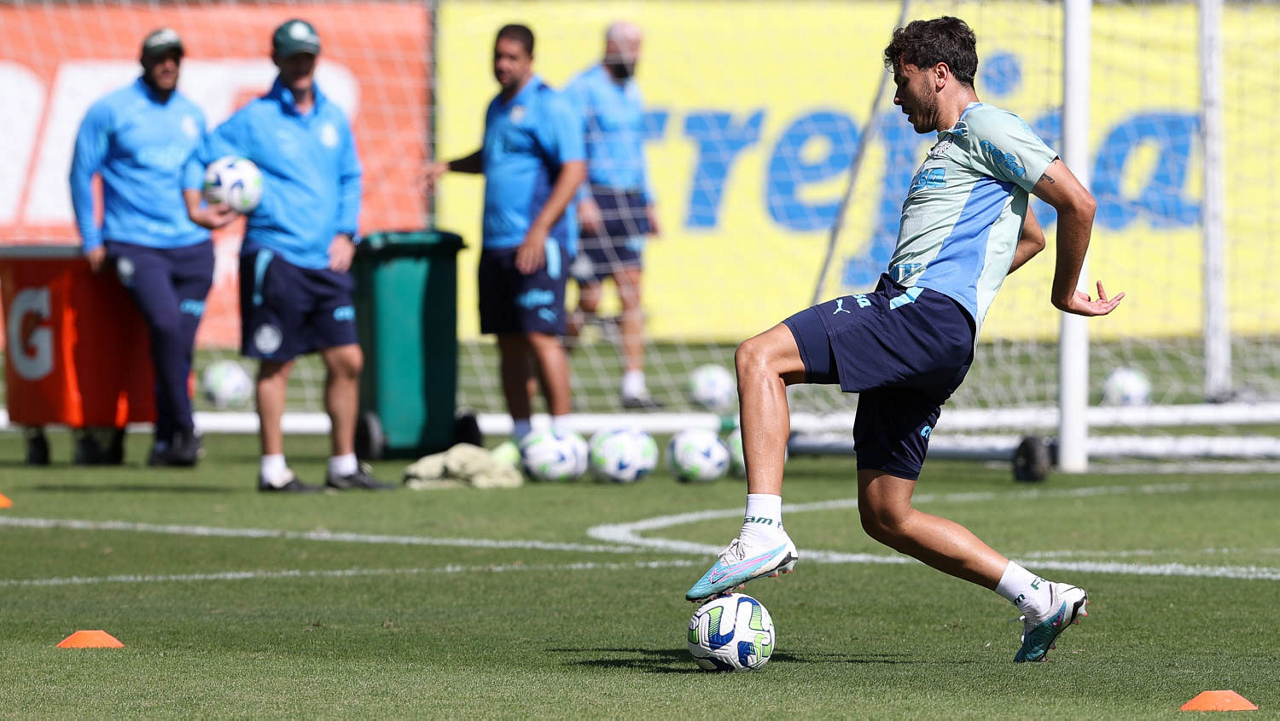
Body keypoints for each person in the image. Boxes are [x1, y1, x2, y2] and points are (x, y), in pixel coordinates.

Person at [684, 17, 1124, 663]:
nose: (897, 96)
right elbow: (1029, 236)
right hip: (938, 331)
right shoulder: (959, 150)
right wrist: (969, 290)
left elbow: (1078, 203)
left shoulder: (987, 126)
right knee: (886, 513)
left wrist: (1062, 293)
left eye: (904, 78)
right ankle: (1039, 597)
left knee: (759, 357)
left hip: (919, 313)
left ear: (939, 74)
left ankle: (761, 529)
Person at [184, 18, 392, 492]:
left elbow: (350, 177)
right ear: (276, 59)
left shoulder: (333, 117)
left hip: (326, 261)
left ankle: (343, 466)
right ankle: (273, 469)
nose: (302, 65)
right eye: (293, 57)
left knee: (348, 360)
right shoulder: (255, 118)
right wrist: (197, 209)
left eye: (308, 57)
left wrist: (347, 234)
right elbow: (198, 157)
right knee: (277, 362)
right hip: (275, 258)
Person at [70, 28, 233, 467]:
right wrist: (91, 236)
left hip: (194, 248)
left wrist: (218, 206)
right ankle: (186, 429)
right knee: (165, 326)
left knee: (178, 345)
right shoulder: (111, 110)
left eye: (175, 57)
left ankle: (166, 443)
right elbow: (81, 172)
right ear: (143, 61)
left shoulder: (192, 114)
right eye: (161, 58)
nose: (169, 65)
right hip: (136, 243)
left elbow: (201, 174)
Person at [422, 24, 586, 451]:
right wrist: (449, 166)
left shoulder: (550, 105)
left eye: (512, 57)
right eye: (498, 56)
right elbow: (494, 158)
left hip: (536, 244)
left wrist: (539, 231)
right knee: (508, 342)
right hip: (496, 245)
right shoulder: (496, 106)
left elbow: (573, 170)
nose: (503, 64)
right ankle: (522, 436)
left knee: (540, 337)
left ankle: (563, 437)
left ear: (530, 59)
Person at [563, 21, 661, 409]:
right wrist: (581, 198)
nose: (637, 55)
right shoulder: (581, 88)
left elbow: (637, 149)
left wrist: (649, 201)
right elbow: (570, 147)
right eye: (630, 47)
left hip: (629, 199)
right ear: (610, 46)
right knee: (589, 299)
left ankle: (633, 386)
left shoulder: (633, 91)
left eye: (639, 47)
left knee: (631, 292)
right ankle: (556, 364)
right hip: (596, 198)